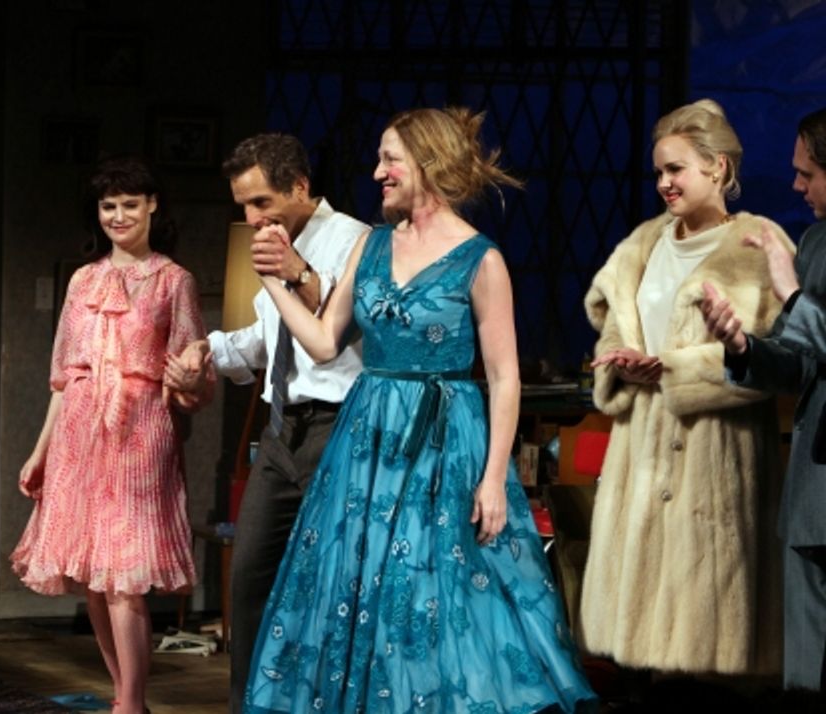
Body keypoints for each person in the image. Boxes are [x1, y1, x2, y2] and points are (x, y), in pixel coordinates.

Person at [242, 107, 596, 713]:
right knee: (364, 585)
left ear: (428, 163)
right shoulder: (372, 245)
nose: (377, 172)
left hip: (443, 441)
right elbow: (324, 342)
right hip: (370, 439)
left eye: (390, 159)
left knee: (431, 587)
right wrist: (275, 280)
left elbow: (504, 377)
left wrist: (493, 479)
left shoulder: (480, 260)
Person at [580, 99, 787, 678]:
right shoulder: (643, 243)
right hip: (640, 459)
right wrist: (622, 363)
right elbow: (615, 326)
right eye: (658, 172)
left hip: (714, 457)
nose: (664, 183)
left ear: (718, 167)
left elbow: (780, 359)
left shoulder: (757, 245)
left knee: (708, 644)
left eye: (676, 169)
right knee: (643, 649)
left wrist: (676, 370)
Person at [169, 134, 368, 712]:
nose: (253, 219)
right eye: (244, 207)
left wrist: (296, 273)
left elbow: (343, 328)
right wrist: (207, 350)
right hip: (282, 431)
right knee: (251, 576)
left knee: (333, 585)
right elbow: (269, 337)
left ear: (300, 186)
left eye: (261, 202)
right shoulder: (271, 243)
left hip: (340, 429)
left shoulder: (354, 240)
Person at [10, 155, 213, 714]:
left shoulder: (174, 281)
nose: (118, 216)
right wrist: (40, 451)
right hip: (79, 433)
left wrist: (191, 379)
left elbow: (195, 377)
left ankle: (129, 702)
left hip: (140, 431)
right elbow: (62, 377)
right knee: (95, 579)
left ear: (152, 206)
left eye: (129, 204)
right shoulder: (83, 280)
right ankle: (127, 699)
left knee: (125, 576)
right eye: (108, 206)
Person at [701, 107, 826, 692]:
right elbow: (799, 360)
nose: (796, 185)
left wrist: (793, 294)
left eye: (809, 173)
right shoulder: (815, 241)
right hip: (814, 498)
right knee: (805, 674)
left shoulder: (799, 263)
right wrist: (742, 345)